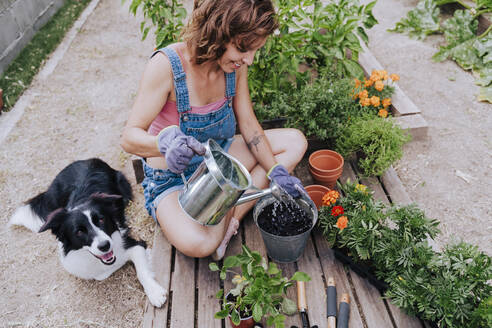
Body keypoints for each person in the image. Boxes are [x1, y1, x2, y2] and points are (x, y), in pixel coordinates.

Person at [120, 0, 307, 260]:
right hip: (174, 180)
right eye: (243, 48)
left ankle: (230, 219)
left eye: (254, 51)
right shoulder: (167, 66)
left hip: (218, 164)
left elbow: (249, 125)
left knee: (295, 142)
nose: (249, 60)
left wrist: (276, 170)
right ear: (216, 32)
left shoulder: (234, 67)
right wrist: (162, 144)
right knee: (200, 244)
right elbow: (129, 137)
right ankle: (226, 208)